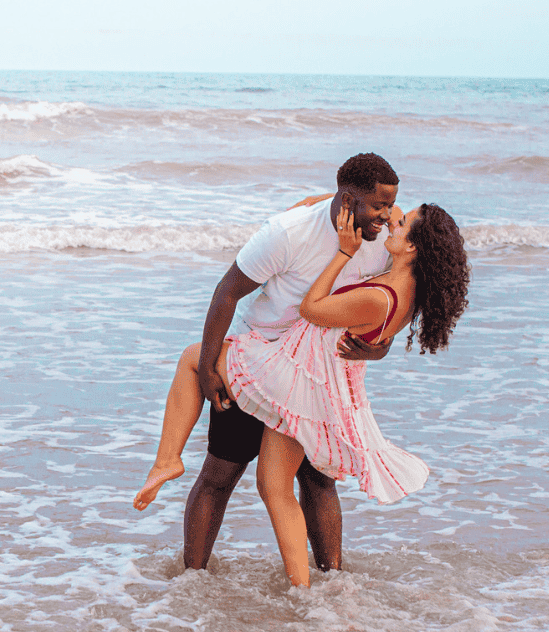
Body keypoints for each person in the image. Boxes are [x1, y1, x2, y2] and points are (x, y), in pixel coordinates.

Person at [135, 199, 470, 586]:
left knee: (194, 359)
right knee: (273, 487)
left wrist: (344, 254)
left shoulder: (380, 293)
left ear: (413, 245)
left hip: (294, 376)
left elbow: (313, 309)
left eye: (402, 222)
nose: (392, 222)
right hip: (318, 383)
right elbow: (375, 323)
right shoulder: (404, 288)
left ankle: (167, 460)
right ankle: (303, 590)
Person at [144, 154, 402, 573]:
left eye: (391, 206)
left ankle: (331, 583)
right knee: (221, 473)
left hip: (317, 377)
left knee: (318, 481)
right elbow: (228, 291)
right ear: (349, 198)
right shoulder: (288, 232)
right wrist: (210, 368)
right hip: (257, 364)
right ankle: (193, 580)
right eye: (379, 206)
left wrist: (378, 349)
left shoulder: (383, 246)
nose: (387, 217)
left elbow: (387, 312)